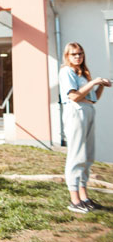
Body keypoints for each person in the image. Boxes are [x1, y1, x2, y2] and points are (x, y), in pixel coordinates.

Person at [59, 41, 111, 214]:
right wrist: (94, 81)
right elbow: (73, 96)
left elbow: (93, 98)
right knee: (76, 155)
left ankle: (84, 197)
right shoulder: (66, 71)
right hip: (75, 112)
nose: (78, 57)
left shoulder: (82, 74)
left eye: (80, 53)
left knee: (87, 156)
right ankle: (74, 199)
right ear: (68, 56)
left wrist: (100, 85)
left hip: (88, 110)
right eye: (74, 54)